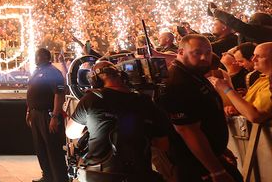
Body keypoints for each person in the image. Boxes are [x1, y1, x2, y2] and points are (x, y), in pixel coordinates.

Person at [66, 61, 170, 181]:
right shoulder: (145, 102)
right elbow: (163, 144)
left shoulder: (91, 99)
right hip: (139, 175)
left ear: (95, 80)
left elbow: (71, 132)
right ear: (123, 77)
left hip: (99, 176)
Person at [159, 35, 242, 182]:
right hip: (196, 166)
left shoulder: (193, 73)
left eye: (208, 52)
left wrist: (219, 150)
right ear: (181, 52)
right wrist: (217, 171)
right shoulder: (177, 82)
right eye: (197, 53)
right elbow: (188, 131)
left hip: (209, 158)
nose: (204, 57)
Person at [26, 48, 68, 182]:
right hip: (35, 113)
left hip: (48, 114)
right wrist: (29, 110)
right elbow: (31, 92)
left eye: (37, 56)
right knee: (41, 148)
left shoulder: (53, 72)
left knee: (52, 148)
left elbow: (59, 94)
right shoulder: (37, 71)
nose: (35, 58)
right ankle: (47, 176)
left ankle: (59, 178)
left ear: (44, 57)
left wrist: (55, 116)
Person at [209, 42, 272, 123]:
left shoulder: (267, 82)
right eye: (254, 55)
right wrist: (237, 109)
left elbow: (255, 116)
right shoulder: (263, 78)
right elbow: (250, 104)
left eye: (259, 56)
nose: (253, 59)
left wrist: (226, 89)